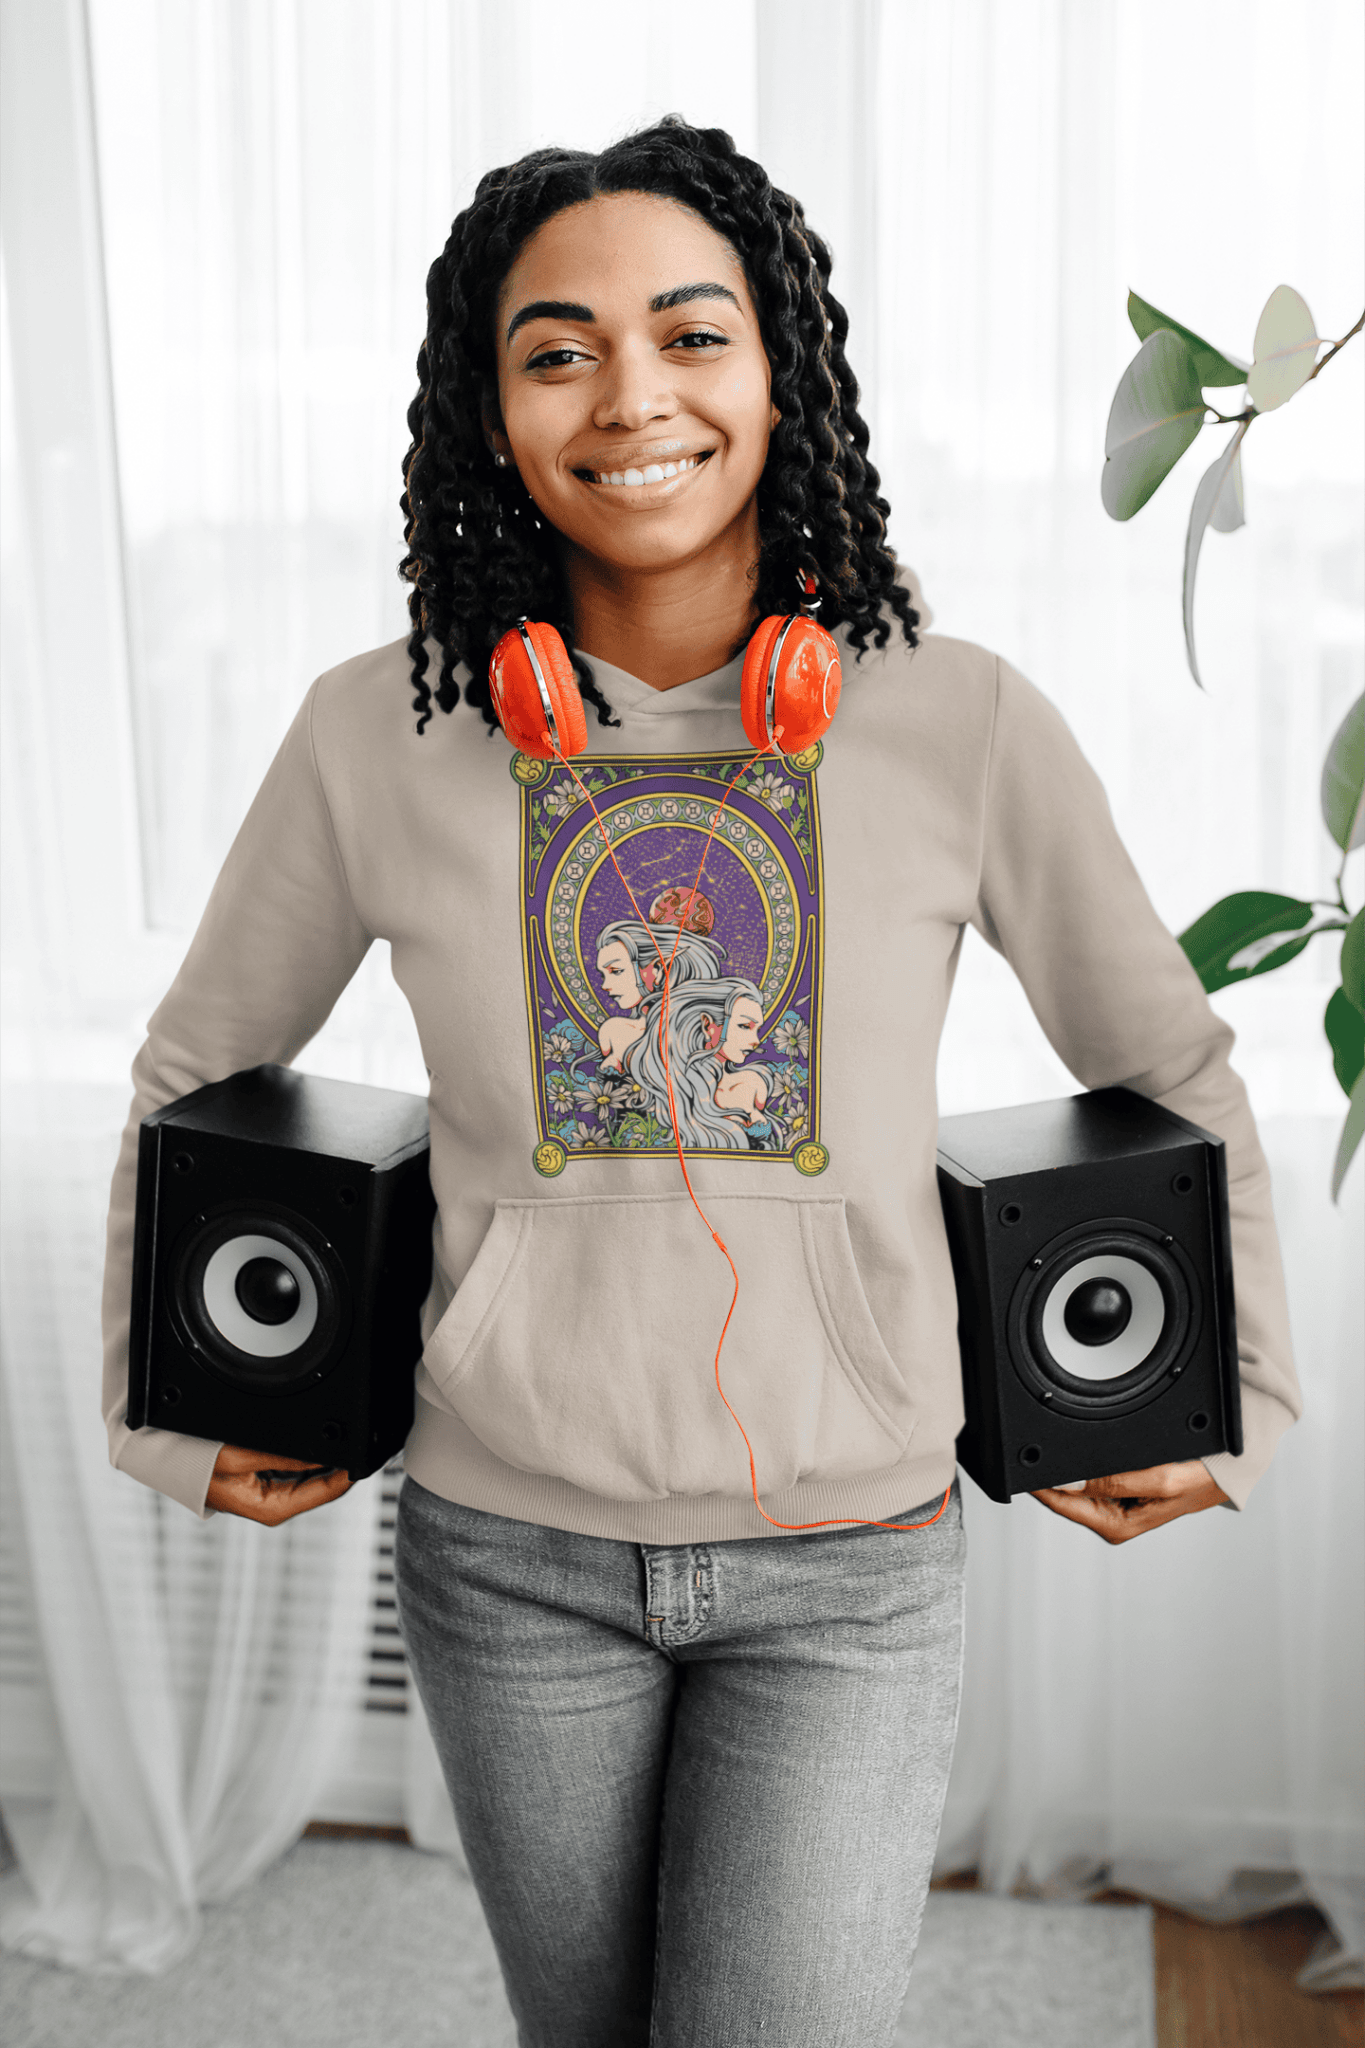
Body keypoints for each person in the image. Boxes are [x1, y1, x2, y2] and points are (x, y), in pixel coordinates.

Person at [100, 117, 1301, 2046]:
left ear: (782, 368)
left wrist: (1218, 1394)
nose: (630, 397)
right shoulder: (376, 734)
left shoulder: (959, 718)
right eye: (558, 349)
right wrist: (164, 1412)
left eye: (690, 334)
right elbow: (196, 1066)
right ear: (490, 411)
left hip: (852, 1572)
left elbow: (1162, 1060)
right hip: (505, 1561)